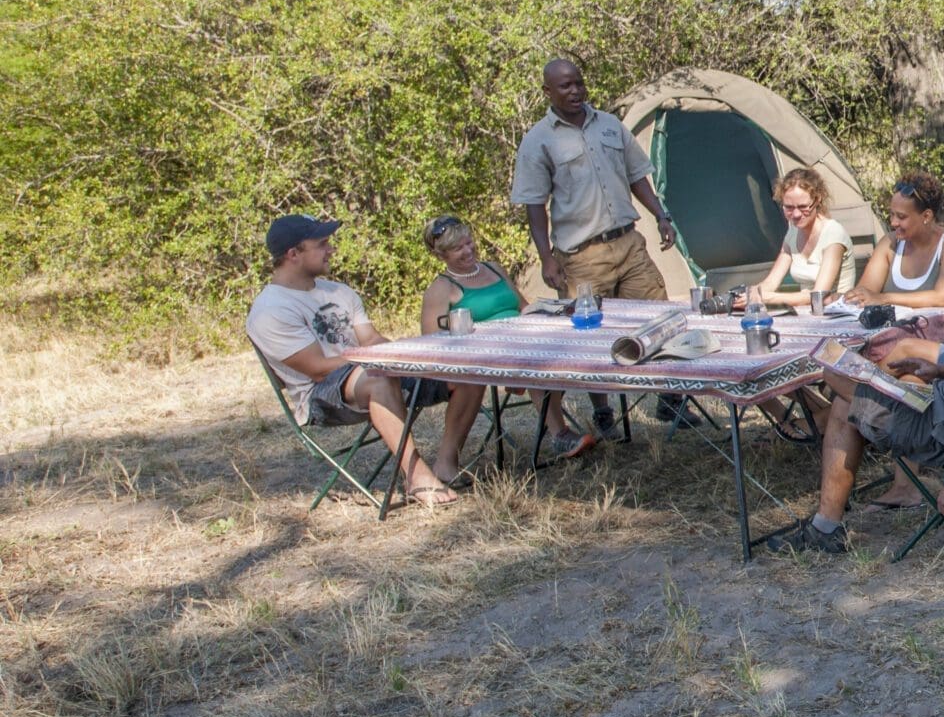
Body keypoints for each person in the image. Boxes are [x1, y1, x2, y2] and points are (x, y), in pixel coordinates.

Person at [776, 212, 944, 554]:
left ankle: (825, 527)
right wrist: (941, 371)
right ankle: (846, 497)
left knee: (840, 389)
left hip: (941, 433)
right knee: (871, 375)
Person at [509, 56, 694, 429]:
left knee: (663, 318)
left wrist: (661, 216)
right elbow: (534, 204)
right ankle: (603, 409)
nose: (575, 91)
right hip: (582, 254)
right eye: (565, 86)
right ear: (548, 92)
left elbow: (638, 175)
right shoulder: (539, 140)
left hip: (628, 242)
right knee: (591, 330)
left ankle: (671, 399)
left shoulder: (610, 126)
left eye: (578, 83)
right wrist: (547, 258)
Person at [246, 215, 466, 507]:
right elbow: (317, 368)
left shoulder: (338, 291)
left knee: (462, 371)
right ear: (293, 254)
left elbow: (371, 339)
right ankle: (417, 476)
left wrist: (406, 355)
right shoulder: (271, 309)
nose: (331, 250)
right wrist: (377, 361)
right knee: (377, 377)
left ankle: (447, 463)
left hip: (367, 371)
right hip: (321, 395)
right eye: (322, 244)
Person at [418, 214, 598, 463]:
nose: (468, 250)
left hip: (524, 337)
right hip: (486, 353)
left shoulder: (493, 268)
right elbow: (431, 341)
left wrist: (549, 313)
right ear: (442, 255)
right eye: (458, 248)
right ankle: (560, 435)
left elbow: (522, 306)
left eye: (469, 242)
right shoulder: (441, 288)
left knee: (563, 345)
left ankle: (578, 416)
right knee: (535, 360)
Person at [848, 172, 944, 313]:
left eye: (901, 217)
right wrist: (848, 297)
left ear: (926, 216)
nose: (893, 222)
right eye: (892, 214)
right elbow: (865, 292)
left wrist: (883, 299)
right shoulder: (889, 243)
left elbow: (943, 299)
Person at [738, 167, 854, 313]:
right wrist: (753, 293)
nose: (796, 214)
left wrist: (768, 298)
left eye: (803, 207)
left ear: (817, 200)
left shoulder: (833, 234)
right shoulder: (793, 230)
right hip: (806, 313)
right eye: (789, 208)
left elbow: (818, 295)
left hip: (836, 314)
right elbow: (771, 281)